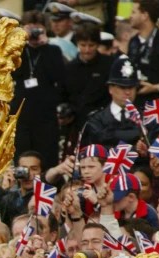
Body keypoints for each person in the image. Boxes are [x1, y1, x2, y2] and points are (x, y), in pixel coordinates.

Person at [12, 11, 67, 173]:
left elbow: (59, 76)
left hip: (46, 117)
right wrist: (21, 41)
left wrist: (46, 45)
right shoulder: (18, 51)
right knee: (21, 162)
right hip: (22, 116)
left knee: (47, 161)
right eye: (30, 29)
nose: (34, 33)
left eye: (38, 29)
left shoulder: (53, 51)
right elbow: (13, 72)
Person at [82, 57, 145, 148]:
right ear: (110, 89)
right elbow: (97, 145)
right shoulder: (96, 119)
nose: (127, 92)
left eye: (131, 87)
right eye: (122, 87)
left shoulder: (145, 117)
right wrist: (135, 144)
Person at [64, 24, 113, 125]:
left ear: (98, 44)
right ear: (77, 44)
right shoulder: (69, 68)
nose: (87, 50)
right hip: (76, 122)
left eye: (91, 45)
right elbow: (64, 95)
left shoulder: (109, 64)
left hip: (103, 121)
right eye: (83, 45)